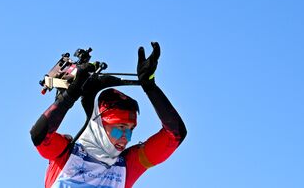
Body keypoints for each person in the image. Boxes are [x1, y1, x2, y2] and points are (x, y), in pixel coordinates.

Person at [30, 42, 187, 188]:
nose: (127, 137)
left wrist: (150, 87)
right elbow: (39, 136)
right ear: (98, 123)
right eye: (120, 127)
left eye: (131, 129)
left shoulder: (126, 166)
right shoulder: (66, 154)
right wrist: (70, 95)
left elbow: (175, 135)